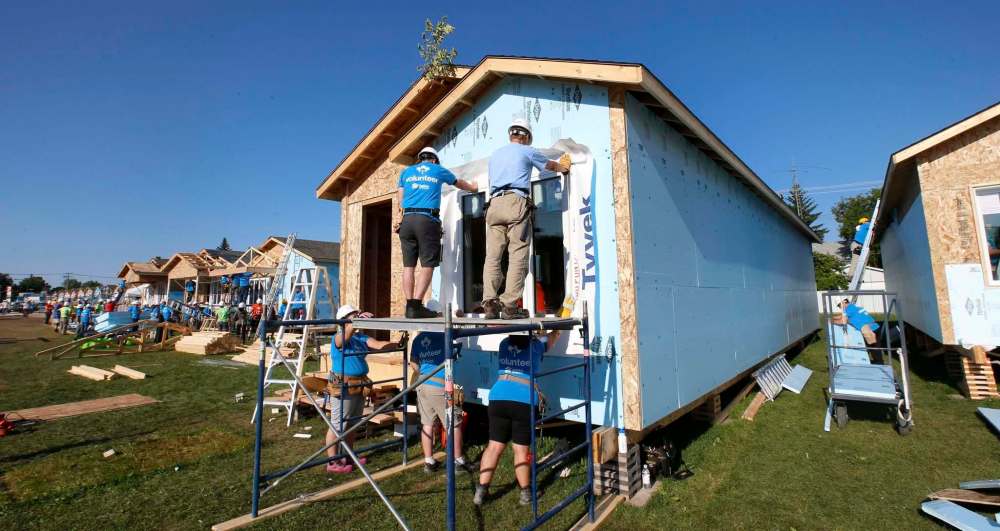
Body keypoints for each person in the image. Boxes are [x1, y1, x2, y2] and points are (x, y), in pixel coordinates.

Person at [481, 119, 570, 319]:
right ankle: (509, 306)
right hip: (515, 202)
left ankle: (489, 304)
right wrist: (563, 168)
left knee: (493, 257)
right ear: (526, 136)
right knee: (517, 254)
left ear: (511, 134)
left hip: (494, 204)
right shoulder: (527, 151)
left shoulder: (495, 155)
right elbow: (549, 166)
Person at [474, 330, 560, 506]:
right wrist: (555, 330)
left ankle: (481, 492)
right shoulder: (535, 346)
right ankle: (526, 494)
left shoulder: (504, 343)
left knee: (494, 447)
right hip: (524, 400)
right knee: (520, 450)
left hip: (498, 396)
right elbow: (551, 340)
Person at [395, 146, 478, 318]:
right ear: (433, 160)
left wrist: (400, 218)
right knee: (428, 264)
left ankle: (409, 306)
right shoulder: (438, 170)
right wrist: (473, 188)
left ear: (420, 158)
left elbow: (400, 199)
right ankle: (417, 305)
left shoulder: (406, 172)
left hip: (407, 220)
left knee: (408, 266)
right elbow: (458, 183)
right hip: (426, 221)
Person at [325, 305, 397, 474]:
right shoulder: (339, 337)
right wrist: (356, 320)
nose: (357, 317)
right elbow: (345, 336)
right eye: (353, 315)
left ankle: (348, 455)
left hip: (359, 385)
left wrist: (397, 343)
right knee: (338, 424)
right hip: (343, 385)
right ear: (344, 320)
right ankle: (332, 461)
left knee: (352, 423)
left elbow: (378, 345)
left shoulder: (361, 337)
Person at [409, 332, 473, 474]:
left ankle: (429, 461)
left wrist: (424, 373)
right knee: (453, 424)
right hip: (439, 385)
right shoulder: (445, 335)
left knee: (427, 423)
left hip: (422, 383)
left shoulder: (419, 338)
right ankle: (459, 461)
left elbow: (413, 362)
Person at [831, 299, 900, 365]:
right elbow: (841, 316)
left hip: (869, 330)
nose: (840, 307)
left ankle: (877, 362)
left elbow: (842, 321)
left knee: (873, 347)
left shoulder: (848, 309)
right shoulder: (854, 307)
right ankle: (874, 361)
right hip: (875, 326)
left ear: (844, 302)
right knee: (873, 346)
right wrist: (833, 317)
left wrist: (831, 321)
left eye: (839, 305)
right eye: (838, 306)